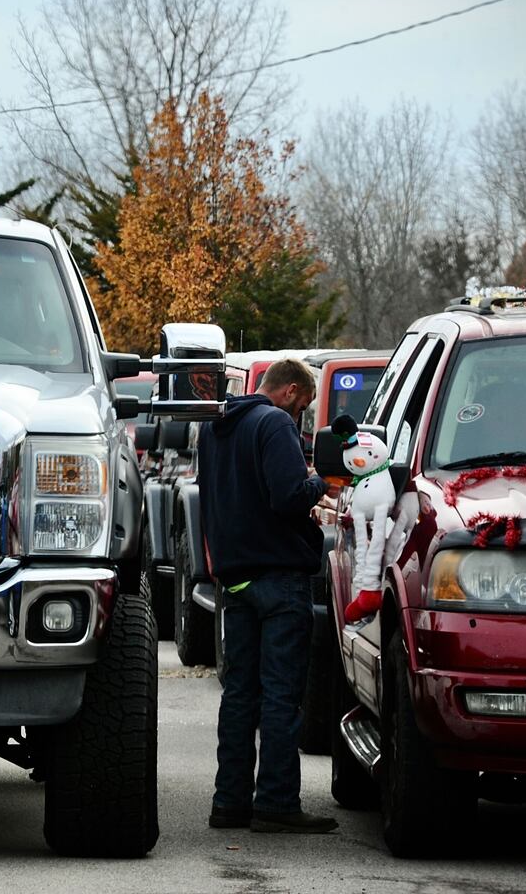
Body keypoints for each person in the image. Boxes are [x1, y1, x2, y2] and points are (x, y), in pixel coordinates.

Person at [198, 357, 338, 834]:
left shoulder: (216, 428)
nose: (300, 416)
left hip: (234, 578)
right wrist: (324, 483)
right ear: (291, 391)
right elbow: (287, 496)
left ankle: (229, 802)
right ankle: (276, 802)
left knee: (240, 693)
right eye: (304, 406)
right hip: (280, 578)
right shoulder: (274, 422)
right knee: (281, 695)